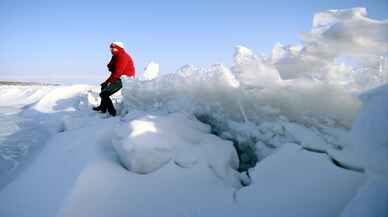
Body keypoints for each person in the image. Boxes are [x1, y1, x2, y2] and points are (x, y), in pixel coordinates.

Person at [93, 41, 135, 116]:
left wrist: (109, 81)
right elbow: (110, 66)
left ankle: (112, 112)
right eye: (111, 48)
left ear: (119, 49)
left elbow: (117, 72)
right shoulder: (116, 56)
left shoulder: (123, 56)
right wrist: (107, 81)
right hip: (118, 76)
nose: (112, 50)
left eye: (114, 48)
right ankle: (102, 107)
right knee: (103, 86)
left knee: (104, 94)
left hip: (124, 78)